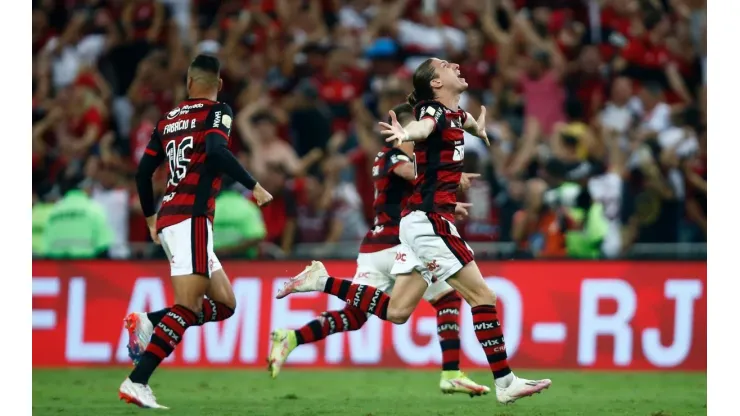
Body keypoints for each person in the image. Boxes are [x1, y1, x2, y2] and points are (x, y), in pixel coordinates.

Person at [276, 58, 551, 405]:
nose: (454, 64)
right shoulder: (432, 113)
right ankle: (505, 381)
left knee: (398, 312)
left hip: (414, 223)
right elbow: (422, 128)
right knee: (483, 297)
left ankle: (320, 282)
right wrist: (407, 134)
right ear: (435, 84)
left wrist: (477, 129)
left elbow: (461, 120)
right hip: (428, 221)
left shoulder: (454, 113)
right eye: (445, 66)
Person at [268, 103, 489, 397]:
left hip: (376, 247)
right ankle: (451, 373)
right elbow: (413, 174)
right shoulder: (395, 156)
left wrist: (448, 204)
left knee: (355, 316)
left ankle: (291, 338)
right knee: (447, 298)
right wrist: (448, 176)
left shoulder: (386, 158)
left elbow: (414, 194)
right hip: (398, 246)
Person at [119, 54, 273, 409]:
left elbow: (143, 174)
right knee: (188, 307)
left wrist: (149, 217)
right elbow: (217, 152)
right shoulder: (218, 111)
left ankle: (146, 321)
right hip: (191, 217)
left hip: (173, 216)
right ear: (217, 85)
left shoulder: (168, 119)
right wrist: (254, 185)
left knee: (225, 304)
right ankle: (137, 381)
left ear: (189, 83)